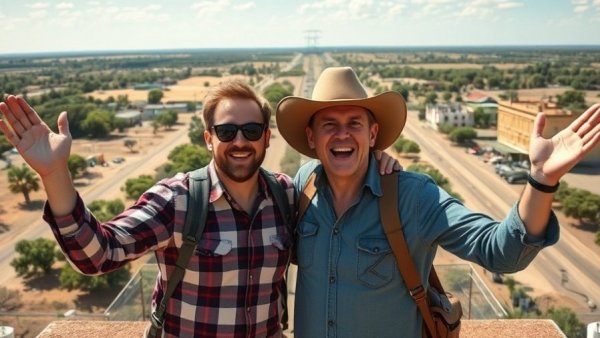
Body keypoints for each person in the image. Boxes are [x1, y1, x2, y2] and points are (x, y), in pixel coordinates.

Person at [0, 81, 398, 337]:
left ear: (266, 138)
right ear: (209, 138)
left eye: (251, 131)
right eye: (226, 132)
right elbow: (98, 255)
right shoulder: (178, 200)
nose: (239, 141)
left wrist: (375, 158)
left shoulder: (285, 196)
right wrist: (55, 174)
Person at [275, 66, 600, 338]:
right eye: (329, 124)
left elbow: (501, 253)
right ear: (311, 137)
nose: (342, 134)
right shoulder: (305, 185)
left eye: (354, 124)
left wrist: (541, 180)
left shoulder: (414, 197)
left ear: (373, 135)